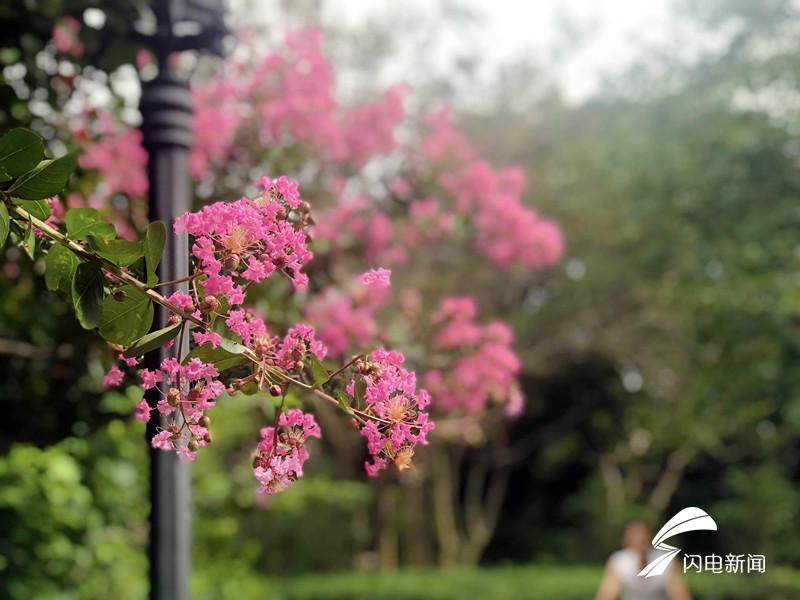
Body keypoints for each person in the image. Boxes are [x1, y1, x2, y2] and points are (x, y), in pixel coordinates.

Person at [594, 521, 692, 600]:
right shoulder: (619, 562)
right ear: (626, 542)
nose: (640, 545)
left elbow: (680, 595)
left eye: (643, 541)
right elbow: (607, 595)